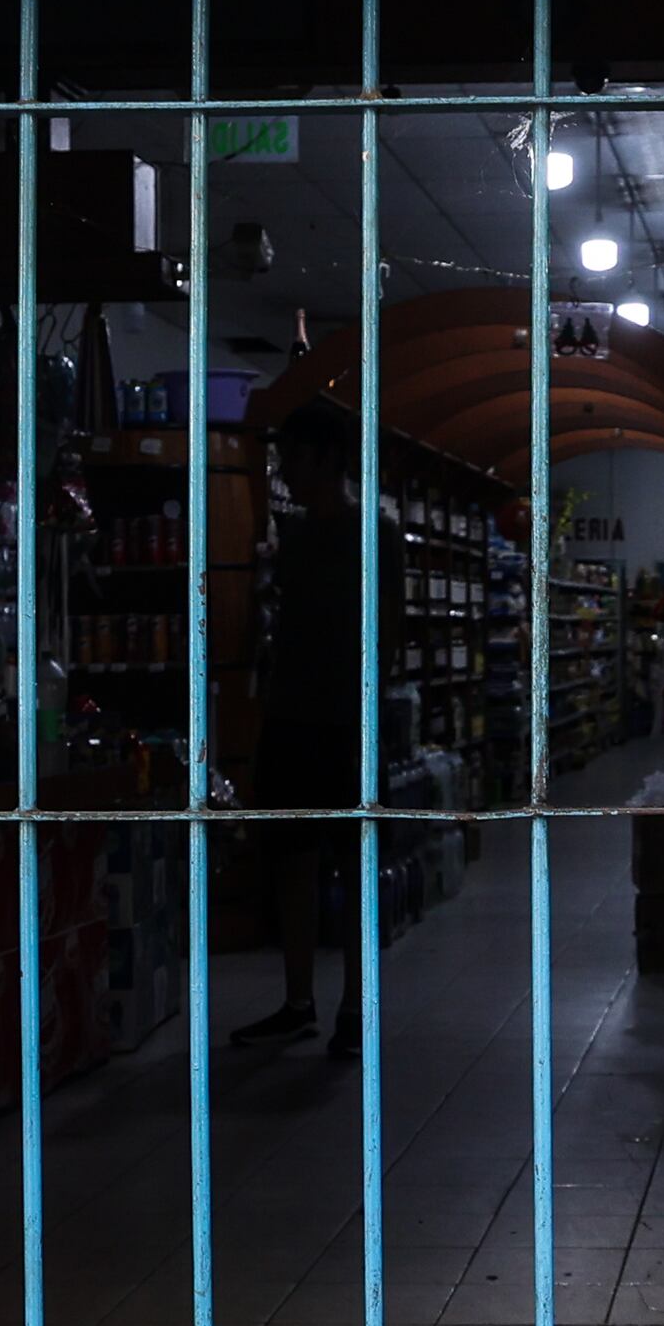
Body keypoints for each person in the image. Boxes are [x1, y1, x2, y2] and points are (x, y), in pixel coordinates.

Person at [231, 410, 371, 1060]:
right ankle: (299, 1002)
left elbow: (388, 631)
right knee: (293, 861)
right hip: (290, 719)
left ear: (322, 459)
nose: (284, 468)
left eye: (292, 455)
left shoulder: (372, 537)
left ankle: (353, 1004)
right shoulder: (290, 535)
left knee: (348, 862)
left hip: (341, 722)